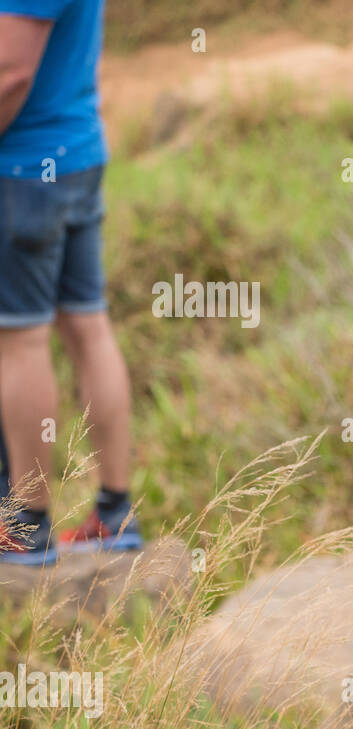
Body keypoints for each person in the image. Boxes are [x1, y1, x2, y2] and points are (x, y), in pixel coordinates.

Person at [0, 0, 142, 566]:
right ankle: (115, 512)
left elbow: (12, 72)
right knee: (89, 326)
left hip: (25, 170)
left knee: (21, 340)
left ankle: (25, 526)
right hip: (78, 152)